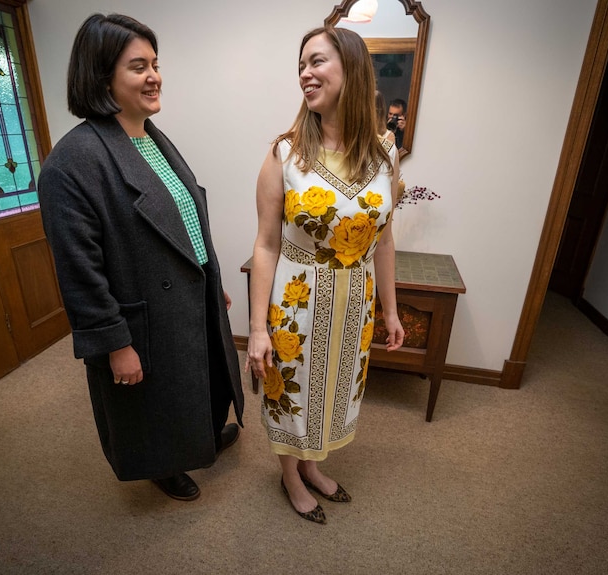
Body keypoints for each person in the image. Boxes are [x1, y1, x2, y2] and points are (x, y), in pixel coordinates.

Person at [38, 13, 243, 502]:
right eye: (138, 67)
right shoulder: (71, 164)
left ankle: (205, 437)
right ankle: (164, 464)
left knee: (203, 377)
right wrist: (114, 343)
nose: (154, 76)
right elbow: (78, 270)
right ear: (101, 76)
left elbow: (183, 218)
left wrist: (210, 279)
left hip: (188, 292)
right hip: (141, 314)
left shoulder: (151, 136)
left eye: (155, 64)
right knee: (155, 402)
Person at [247, 26, 404, 524]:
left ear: (352, 68)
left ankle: (314, 466)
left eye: (316, 62)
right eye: (301, 66)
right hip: (299, 296)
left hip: (356, 299)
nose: (305, 74)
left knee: (335, 387)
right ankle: (290, 475)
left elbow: (385, 238)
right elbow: (266, 243)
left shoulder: (385, 154)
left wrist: (392, 309)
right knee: (290, 389)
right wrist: (255, 329)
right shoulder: (285, 154)